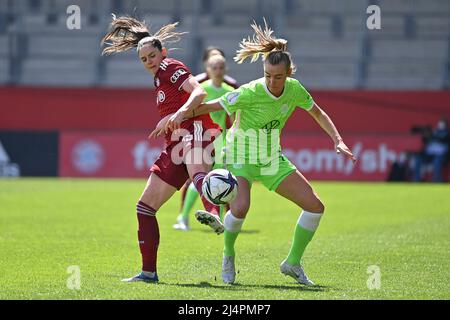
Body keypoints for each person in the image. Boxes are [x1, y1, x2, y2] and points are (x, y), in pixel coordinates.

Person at [165, 20, 356, 285]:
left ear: (288, 73)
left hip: (270, 159)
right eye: (268, 75)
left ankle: (292, 263)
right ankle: (228, 255)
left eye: (278, 76)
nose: (272, 81)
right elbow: (209, 106)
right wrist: (179, 114)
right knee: (241, 208)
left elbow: (318, 112)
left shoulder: (295, 90)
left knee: (315, 207)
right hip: (239, 157)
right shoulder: (251, 91)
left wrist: (338, 140)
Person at [101, 15, 224, 283]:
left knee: (197, 174)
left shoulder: (170, 67)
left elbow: (198, 92)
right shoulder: (159, 78)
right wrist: (169, 120)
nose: (149, 62)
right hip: (175, 142)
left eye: (152, 55)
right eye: (144, 59)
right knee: (144, 207)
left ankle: (214, 212)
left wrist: (179, 113)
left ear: (163, 52)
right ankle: (148, 273)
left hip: (195, 131)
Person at [175, 47, 239, 230]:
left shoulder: (230, 91)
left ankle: (214, 218)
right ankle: (183, 216)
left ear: (225, 69)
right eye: (215, 67)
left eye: (221, 67)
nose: (218, 70)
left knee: (216, 179)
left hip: (221, 141)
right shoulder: (202, 90)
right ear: (208, 69)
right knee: (201, 178)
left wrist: (233, 138)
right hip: (201, 137)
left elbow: (233, 120)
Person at [413, 118, 450, 182]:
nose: (440, 125)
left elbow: (445, 142)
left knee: (437, 160)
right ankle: (417, 179)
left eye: (442, 123)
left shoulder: (447, 134)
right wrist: (428, 135)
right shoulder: (433, 132)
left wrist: (434, 136)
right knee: (417, 158)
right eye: (440, 123)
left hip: (440, 155)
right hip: (429, 155)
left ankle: (436, 179)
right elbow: (425, 141)